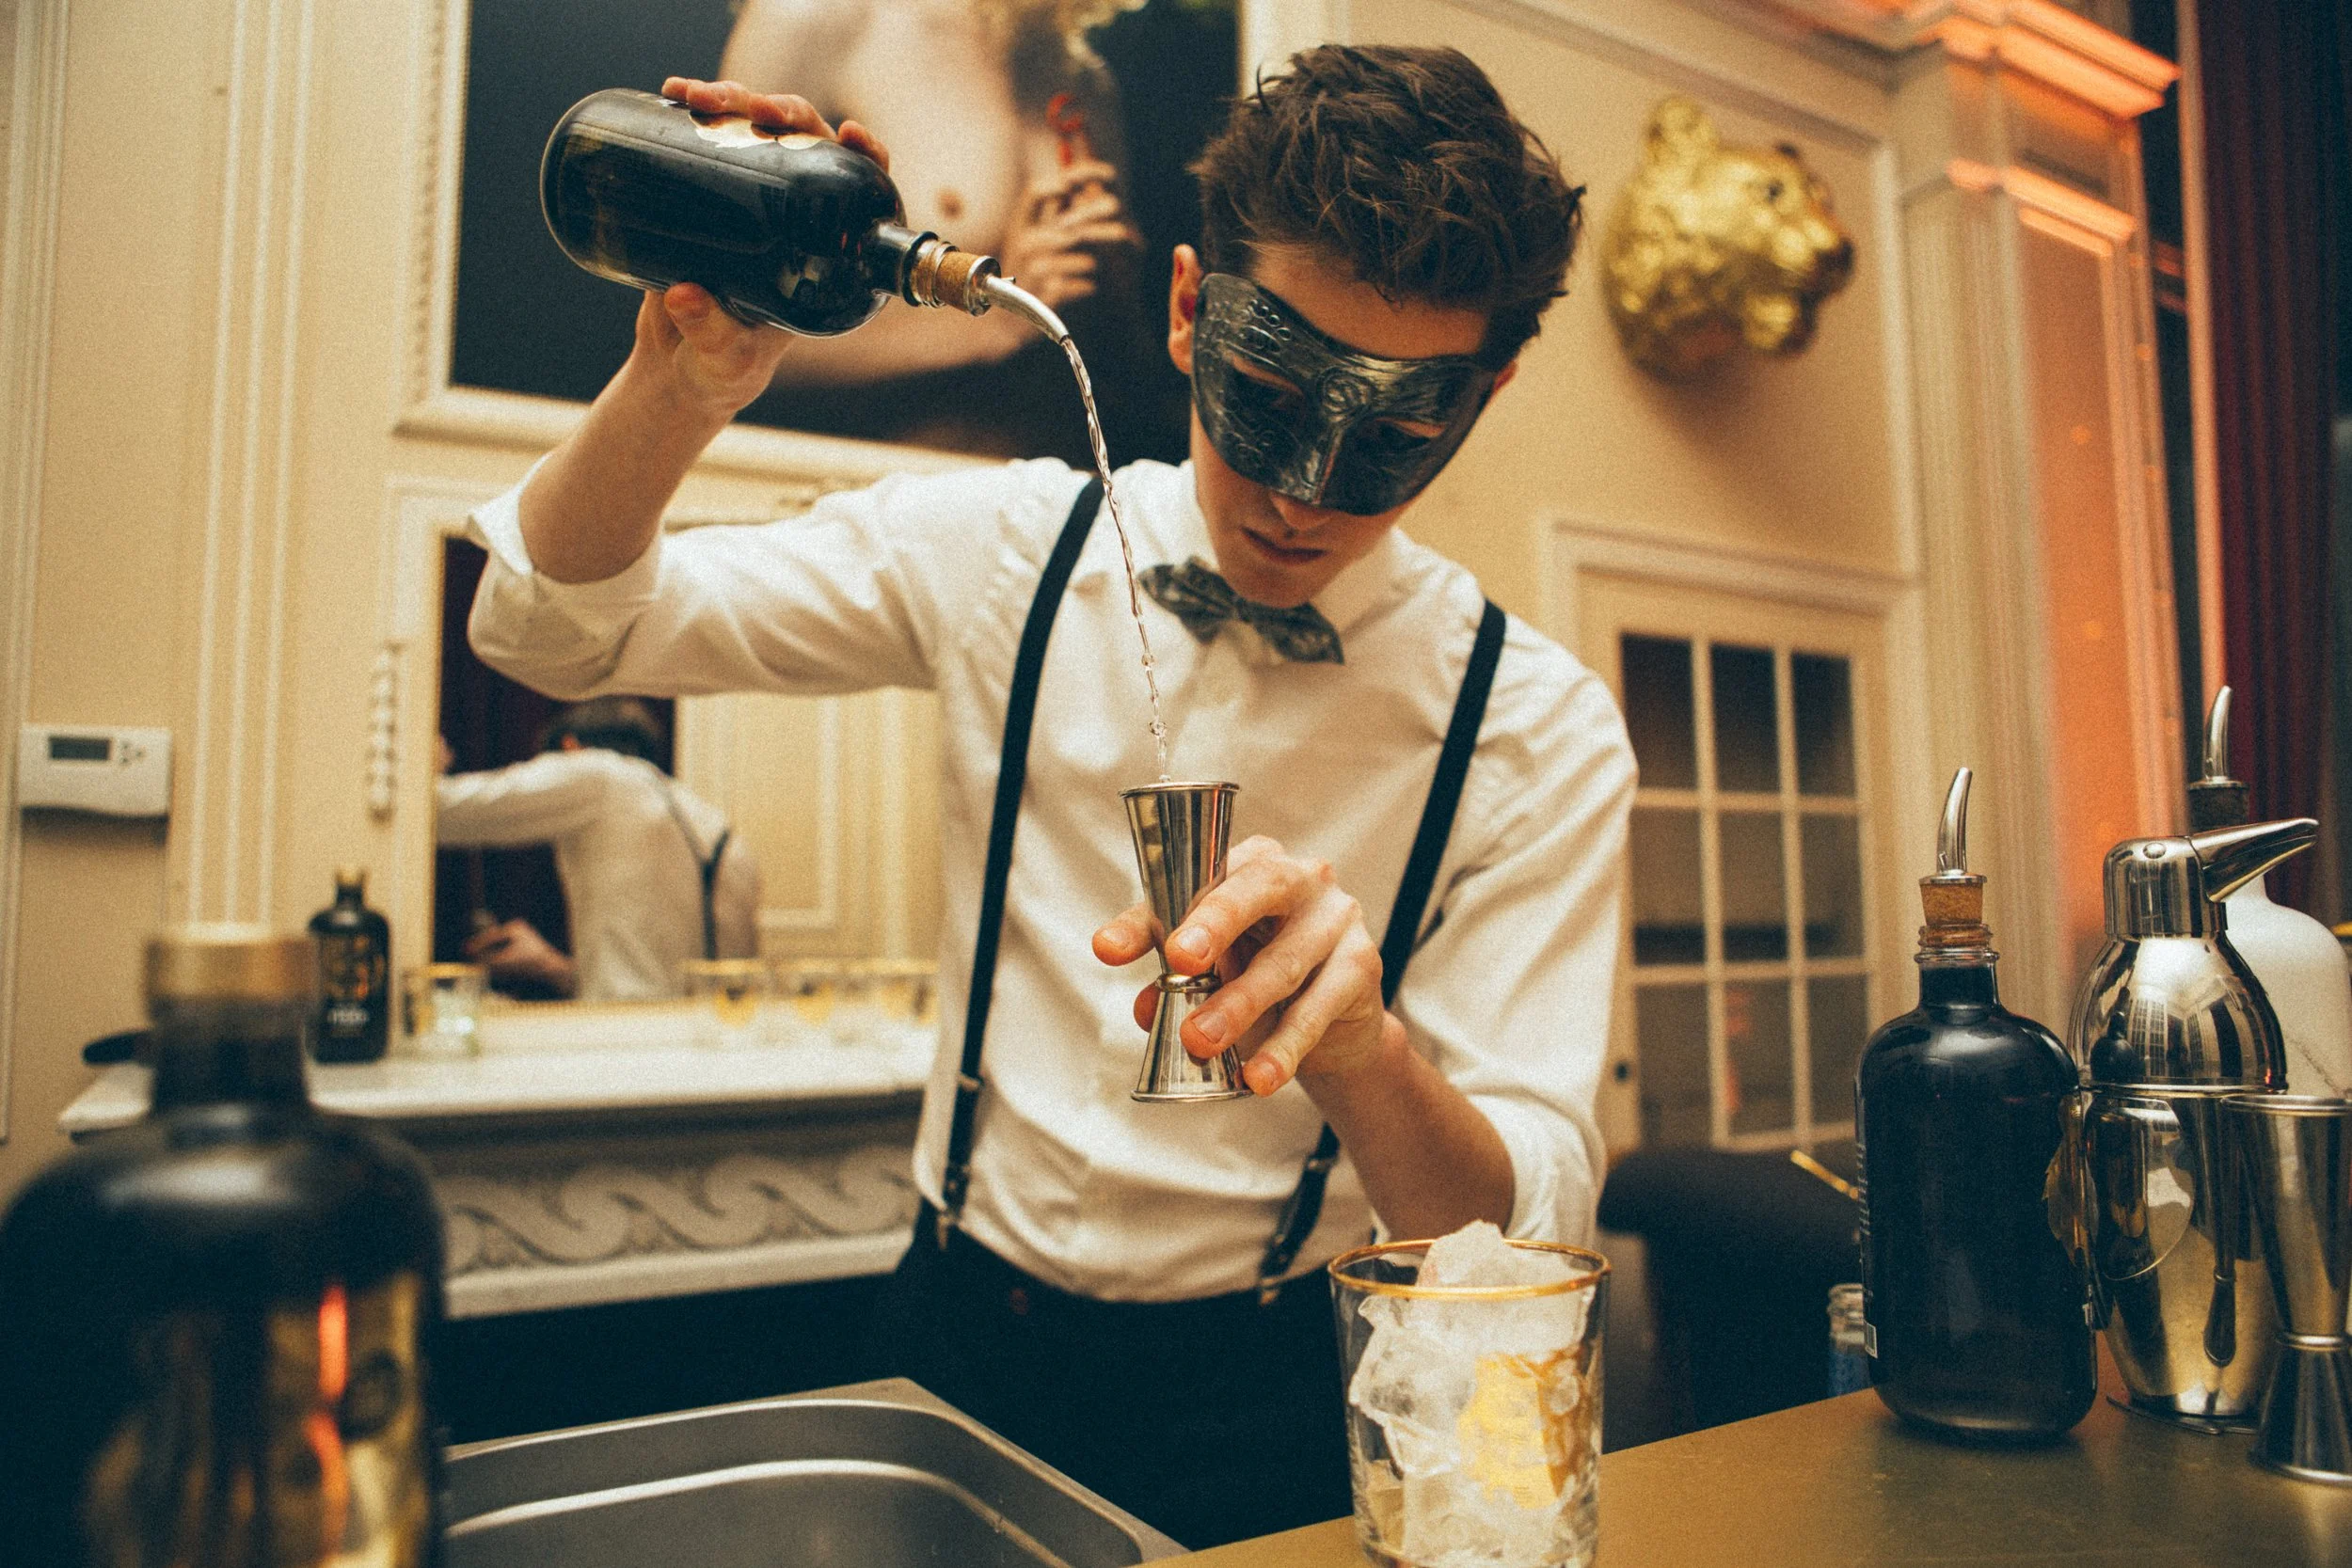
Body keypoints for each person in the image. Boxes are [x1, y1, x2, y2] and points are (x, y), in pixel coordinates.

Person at [467, 48, 1630, 1547]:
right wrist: (675, 383)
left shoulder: (1532, 725)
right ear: (1191, 307)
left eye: (1393, 445)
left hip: (1278, 1383)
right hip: (956, 1332)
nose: (1301, 498)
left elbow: (1525, 1231)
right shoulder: (1008, 547)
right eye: (1266, 400)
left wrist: (1362, 1052)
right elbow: (542, 628)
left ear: (1486, 396)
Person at [435, 697, 762, 1002]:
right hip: (715, 1040)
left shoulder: (596, 774)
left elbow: (443, 813)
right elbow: (657, 981)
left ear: (570, 748)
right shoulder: (720, 830)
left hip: (622, 1043)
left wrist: (424, 767)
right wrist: (552, 965)